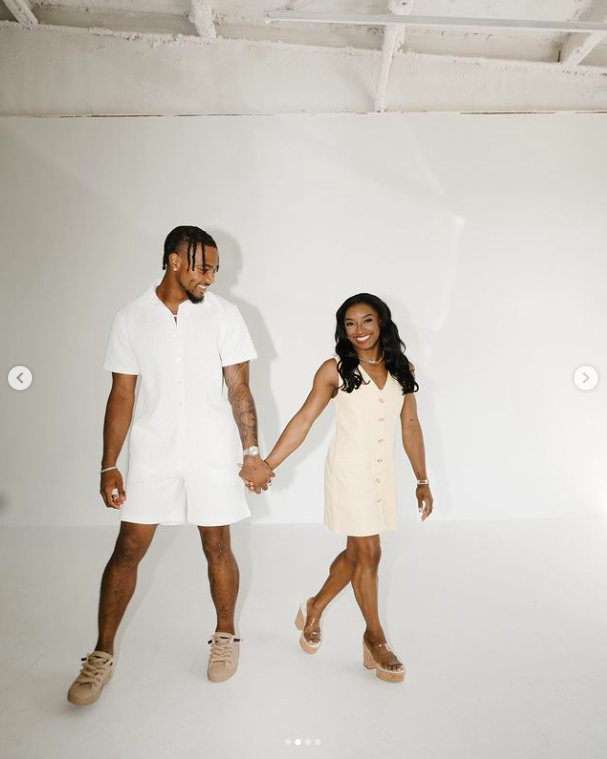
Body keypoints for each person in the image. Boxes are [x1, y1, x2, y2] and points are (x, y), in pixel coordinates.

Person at [67, 226, 273, 706]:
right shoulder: (131, 318)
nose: (211, 278)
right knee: (128, 548)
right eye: (204, 267)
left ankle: (225, 635)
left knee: (217, 544)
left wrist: (250, 452)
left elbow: (240, 389)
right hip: (153, 453)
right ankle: (101, 653)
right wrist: (108, 464)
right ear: (175, 262)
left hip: (213, 452)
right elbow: (122, 393)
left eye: (216, 270)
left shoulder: (225, 315)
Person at [262, 294, 432, 683]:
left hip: (381, 473)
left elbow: (410, 426)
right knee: (369, 551)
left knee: (357, 555)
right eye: (350, 324)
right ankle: (375, 638)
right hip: (347, 472)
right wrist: (269, 464)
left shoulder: (402, 368)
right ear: (342, 329)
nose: (359, 331)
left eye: (367, 321)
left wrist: (422, 480)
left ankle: (314, 607)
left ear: (382, 323)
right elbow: (304, 420)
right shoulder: (334, 369)